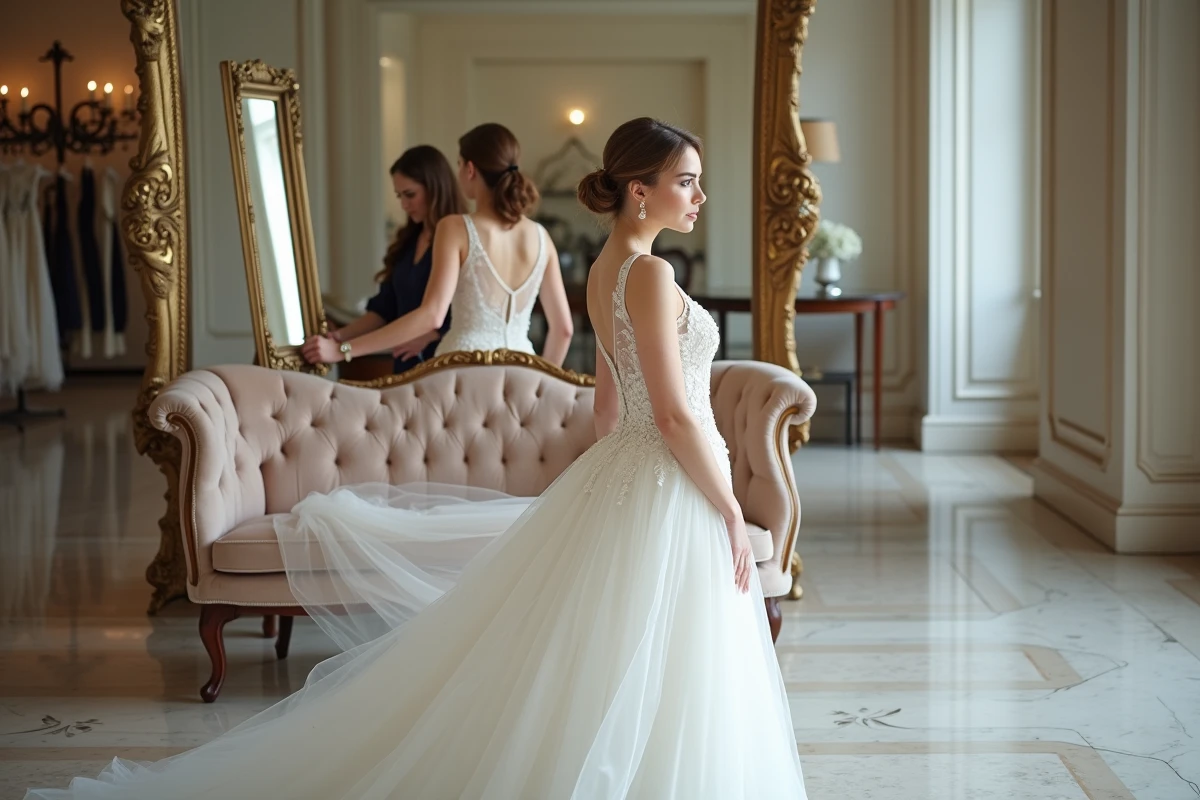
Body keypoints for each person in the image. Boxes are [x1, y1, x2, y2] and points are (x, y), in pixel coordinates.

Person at [24, 118, 806, 799]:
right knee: (667, 658)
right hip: (666, 477)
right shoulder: (653, 272)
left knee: (618, 652)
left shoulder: (605, 269)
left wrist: (613, 485)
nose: (698, 196)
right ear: (641, 191)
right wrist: (728, 509)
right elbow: (672, 412)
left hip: (633, 474)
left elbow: (611, 409)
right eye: (687, 182)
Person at [303, 123, 574, 368]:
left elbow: (432, 316)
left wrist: (342, 350)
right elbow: (564, 330)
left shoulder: (456, 227)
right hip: (522, 372)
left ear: (469, 169)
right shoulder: (541, 236)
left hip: (462, 373)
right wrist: (542, 384)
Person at [314, 145, 467, 374]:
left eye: (410, 195)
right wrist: (339, 336)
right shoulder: (408, 241)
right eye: (399, 195)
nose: (404, 205)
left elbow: (468, 308)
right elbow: (384, 308)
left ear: (435, 188)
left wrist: (433, 334)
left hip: (442, 362)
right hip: (405, 363)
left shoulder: (461, 238)